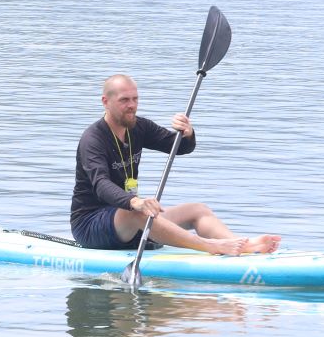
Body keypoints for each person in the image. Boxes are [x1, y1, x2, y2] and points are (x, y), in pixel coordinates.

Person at [71, 74, 281, 256]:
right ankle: (212, 246)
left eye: (135, 99)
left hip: (129, 218)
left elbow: (179, 147)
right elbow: (100, 184)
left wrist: (187, 133)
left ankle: (241, 245)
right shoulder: (93, 139)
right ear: (105, 101)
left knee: (197, 210)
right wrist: (135, 202)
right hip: (90, 225)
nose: (132, 105)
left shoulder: (138, 127)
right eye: (124, 100)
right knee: (138, 213)